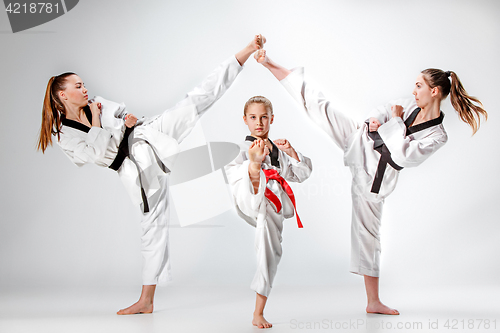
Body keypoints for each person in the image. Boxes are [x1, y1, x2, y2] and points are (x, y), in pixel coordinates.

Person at [37, 35, 266, 315]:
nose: (85, 89)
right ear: (63, 95)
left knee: (196, 100)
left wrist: (123, 122)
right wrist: (103, 121)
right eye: (78, 86)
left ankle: (243, 54)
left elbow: (121, 118)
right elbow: (100, 155)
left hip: (149, 132)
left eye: (83, 84)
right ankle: (146, 300)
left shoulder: (96, 102)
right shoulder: (63, 135)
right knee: (152, 227)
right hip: (135, 167)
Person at [253, 47, 487, 315]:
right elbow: (383, 111)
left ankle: (373, 301)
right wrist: (378, 119)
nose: (414, 91)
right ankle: (271, 63)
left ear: (434, 91)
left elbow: (404, 155)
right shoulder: (409, 105)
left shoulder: (438, 135)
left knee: (368, 236)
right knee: (318, 105)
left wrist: (395, 121)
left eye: (419, 85)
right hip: (359, 140)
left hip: (373, 180)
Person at [225, 96, 312, 328]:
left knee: (271, 254)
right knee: (245, 173)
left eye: (264, 117)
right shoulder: (241, 149)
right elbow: (231, 176)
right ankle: (258, 314)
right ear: (245, 120)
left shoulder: (278, 151)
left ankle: (258, 311)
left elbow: (302, 174)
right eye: (253, 117)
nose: (259, 122)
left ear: (272, 119)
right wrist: (253, 165)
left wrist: (291, 151)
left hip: (272, 204)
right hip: (250, 196)